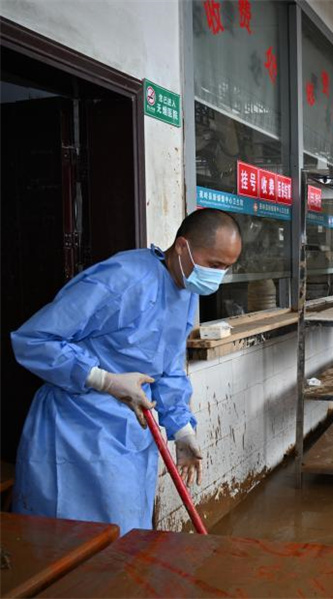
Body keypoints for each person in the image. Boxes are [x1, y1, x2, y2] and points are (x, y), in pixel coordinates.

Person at [10, 208, 243, 535]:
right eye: (214, 265)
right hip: (74, 430)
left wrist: (182, 431)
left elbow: (168, 368)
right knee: (67, 540)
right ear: (182, 246)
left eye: (227, 268)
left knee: (124, 537)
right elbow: (34, 340)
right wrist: (103, 380)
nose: (218, 276)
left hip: (129, 433)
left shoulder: (185, 292)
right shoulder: (123, 278)